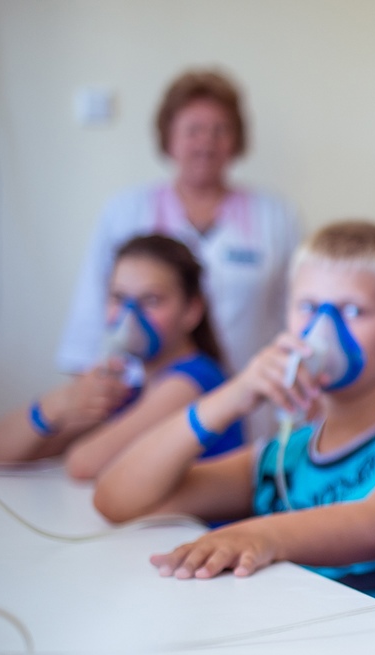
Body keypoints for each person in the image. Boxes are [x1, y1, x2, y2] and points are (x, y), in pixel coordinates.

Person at [92, 221, 375, 647]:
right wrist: (233, 395)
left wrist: (260, 534)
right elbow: (119, 500)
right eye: (308, 307)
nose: (323, 329)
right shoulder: (285, 458)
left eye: (353, 311)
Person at [56, 68, 299, 430]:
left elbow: (294, 313)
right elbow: (93, 307)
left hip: (248, 401)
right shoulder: (127, 212)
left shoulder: (275, 216)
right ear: (168, 137)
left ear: (237, 140)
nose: (206, 143)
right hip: (142, 402)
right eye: (193, 130)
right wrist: (82, 401)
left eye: (220, 130)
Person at [0, 235, 243, 478]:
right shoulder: (132, 388)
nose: (129, 315)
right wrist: (60, 402)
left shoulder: (193, 381)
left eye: (151, 300)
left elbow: (84, 464)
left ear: (192, 310)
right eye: (119, 298)